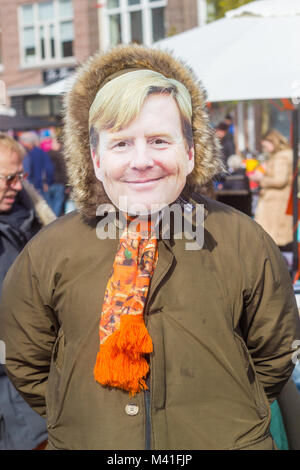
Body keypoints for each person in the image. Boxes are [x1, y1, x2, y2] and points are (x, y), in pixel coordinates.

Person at [0, 45, 300, 451]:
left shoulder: (242, 239)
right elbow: (24, 359)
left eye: (160, 140)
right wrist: (79, 418)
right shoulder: (50, 250)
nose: (141, 161)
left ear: (191, 153)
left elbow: (275, 355)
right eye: (121, 144)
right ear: (96, 157)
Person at [0, 133, 55, 450]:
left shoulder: (39, 224)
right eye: (9, 178)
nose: (18, 186)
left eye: (20, 176)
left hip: (35, 392)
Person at [250, 129, 293, 251]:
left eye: (265, 145)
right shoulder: (284, 156)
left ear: (272, 142)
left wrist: (261, 178)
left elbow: (280, 180)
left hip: (274, 203)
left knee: (271, 239)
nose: (266, 149)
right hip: (279, 200)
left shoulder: (281, 158)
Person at [19, 131, 54, 199]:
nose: (21, 144)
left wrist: (46, 182)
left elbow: (48, 168)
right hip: (36, 186)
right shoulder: (34, 152)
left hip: (39, 186)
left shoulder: (34, 153)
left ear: (27, 143)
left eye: (22, 142)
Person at [47, 139, 68, 216]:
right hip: (59, 183)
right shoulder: (60, 155)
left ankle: (51, 219)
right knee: (58, 204)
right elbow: (64, 170)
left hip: (48, 184)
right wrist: (67, 185)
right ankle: (54, 220)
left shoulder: (47, 154)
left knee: (51, 204)